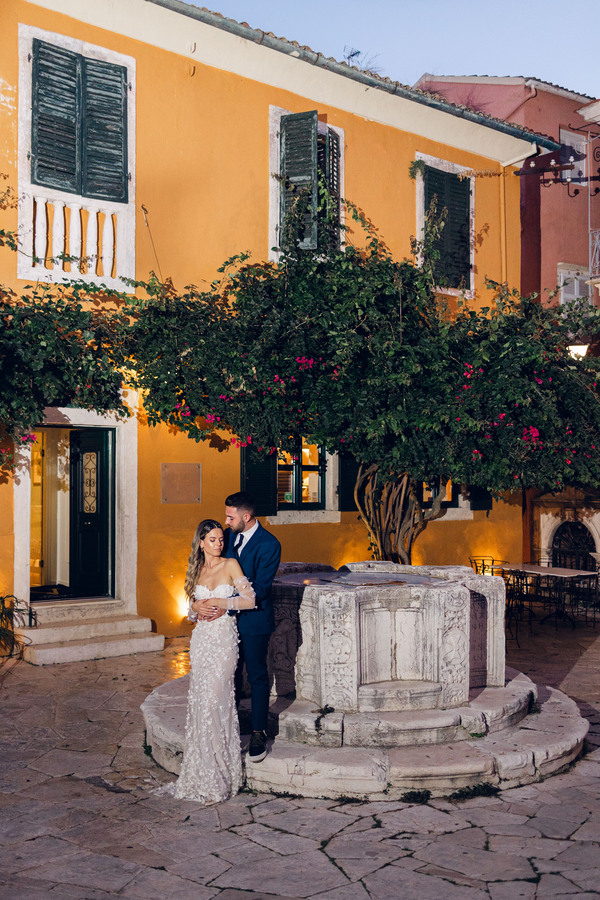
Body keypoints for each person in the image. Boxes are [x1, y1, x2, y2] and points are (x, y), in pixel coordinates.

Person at [167, 518, 256, 804]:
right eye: (213, 540)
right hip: (202, 642)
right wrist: (195, 607)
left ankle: (220, 778)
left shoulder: (230, 565)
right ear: (201, 543)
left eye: (221, 539)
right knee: (201, 704)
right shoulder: (196, 570)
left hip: (224, 641)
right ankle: (202, 774)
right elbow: (191, 614)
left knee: (216, 702)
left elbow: (250, 599)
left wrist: (222, 604)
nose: (219, 544)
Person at [214, 491, 282, 763]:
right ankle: (228, 727)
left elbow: (261, 589)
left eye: (231, 517)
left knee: (256, 676)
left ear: (247, 516)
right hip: (225, 622)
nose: (226, 521)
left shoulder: (270, 544)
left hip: (254, 621)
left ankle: (258, 732)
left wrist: (224, 602)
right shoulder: (226, 537)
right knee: (228, 673)